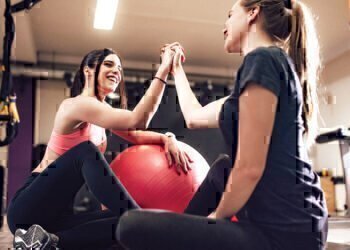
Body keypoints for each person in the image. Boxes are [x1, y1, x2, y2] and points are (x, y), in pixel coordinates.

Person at [117, 0, 328, 249]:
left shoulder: (262, 60)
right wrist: (175, 69)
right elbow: (194, 117)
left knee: (130, 225)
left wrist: (217, 218)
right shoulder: (268, 70)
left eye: (230, 15)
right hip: (294, 221)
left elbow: (249, 168)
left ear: (253, 13)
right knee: (222, 168)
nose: (224, 26)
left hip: (286, 232)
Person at [7, 46, 192, 249]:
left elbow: (136, 135)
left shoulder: (101, 114)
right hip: (29, 210)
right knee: (86, 151)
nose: (117, 72)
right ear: (88, 70)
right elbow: (137, 120)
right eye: (109, 64)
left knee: (120, 223)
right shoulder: (76, 105)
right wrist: (164, 68)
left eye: (120, 69)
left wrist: (168, 137)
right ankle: (141, 221)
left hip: (54, 222)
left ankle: (47, 243)